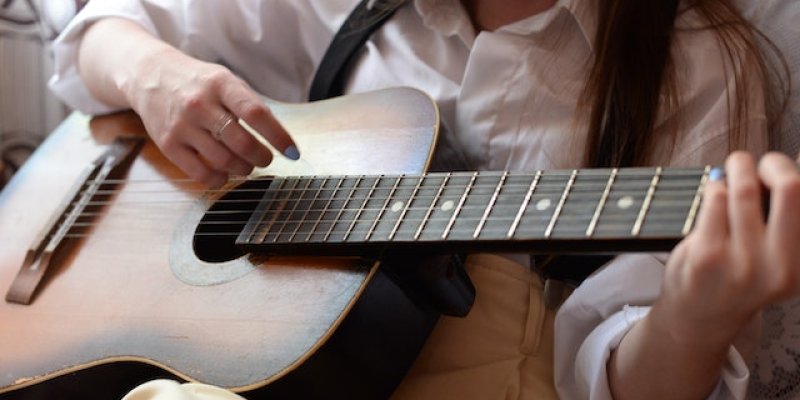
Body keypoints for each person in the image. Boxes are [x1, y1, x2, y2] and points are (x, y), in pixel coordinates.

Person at [47, 0, 800, 399]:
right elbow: (99, 31)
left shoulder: (697, 61)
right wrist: (153, 76)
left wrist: (697, 318)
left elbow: (613, 387)